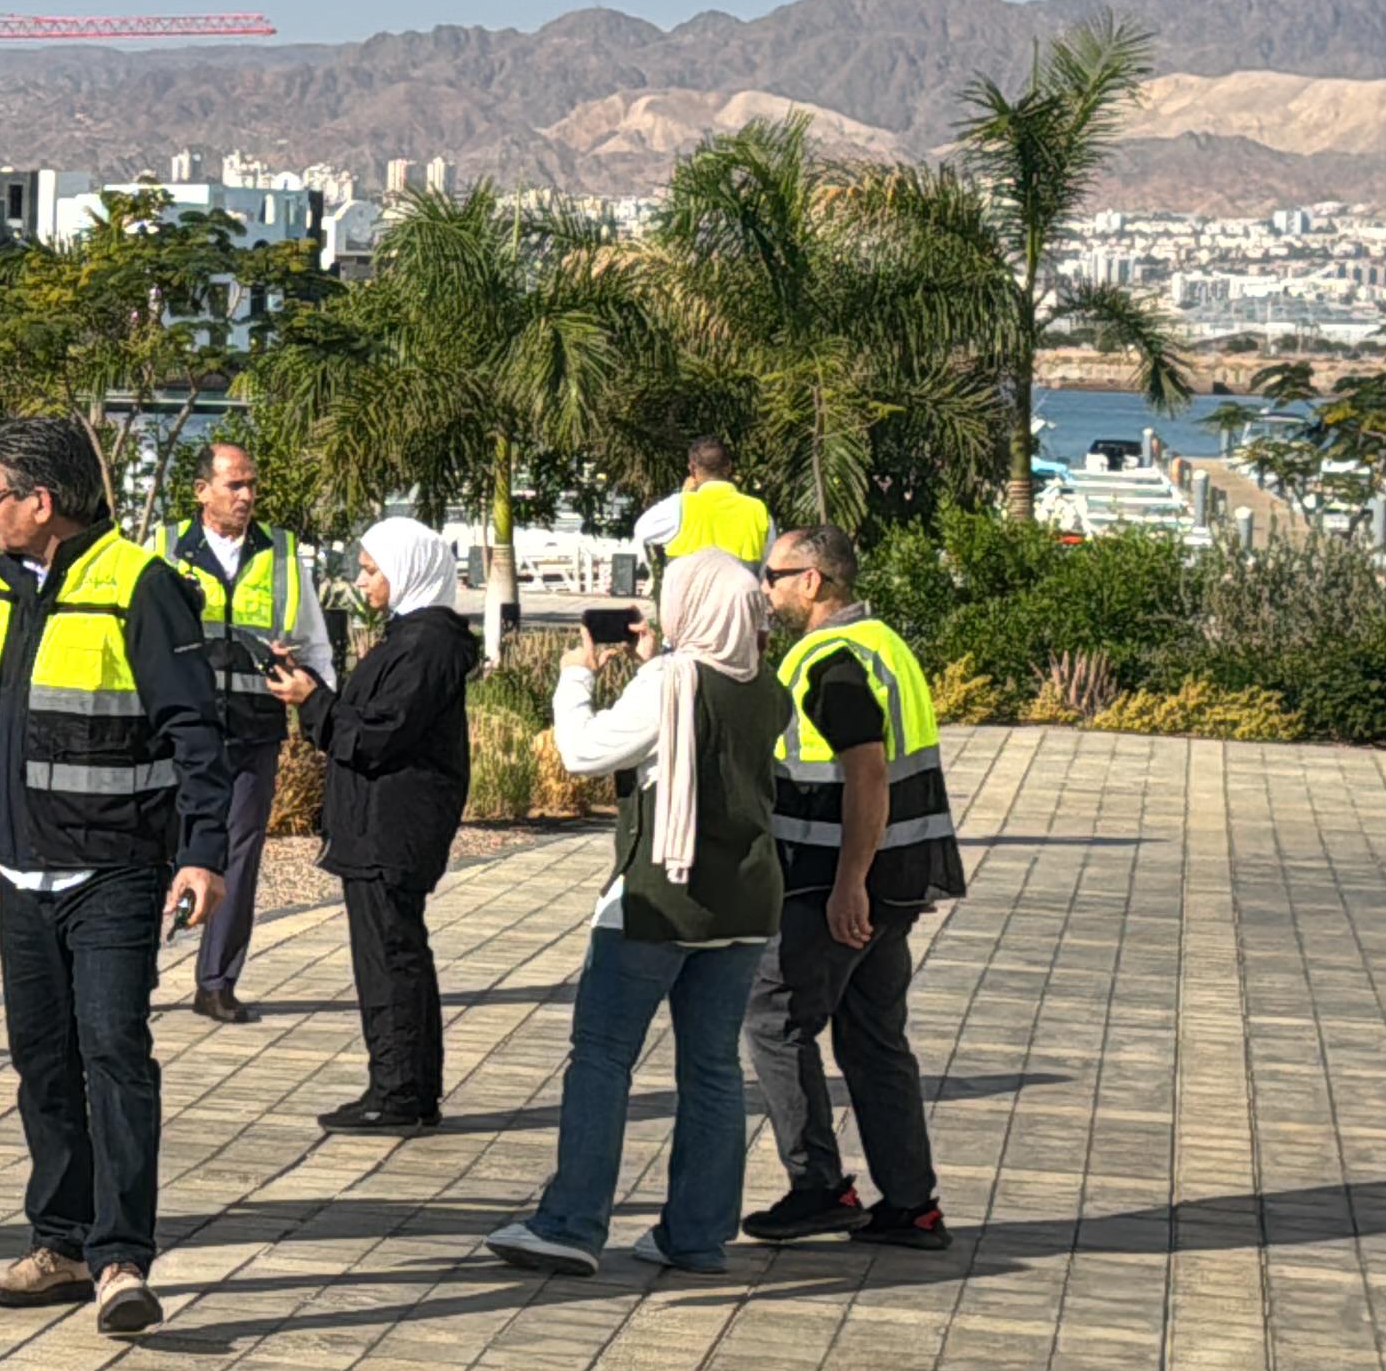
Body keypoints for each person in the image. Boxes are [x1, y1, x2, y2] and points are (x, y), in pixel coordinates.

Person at [0, 418, 232, 1339]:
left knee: (114, 1055)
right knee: (42, 1063)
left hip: (116, 873)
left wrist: (204, 852)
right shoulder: (0, 589)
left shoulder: (140, 586)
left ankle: (121, 1259)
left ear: (41, 502)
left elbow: (196, 734)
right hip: (21, 872)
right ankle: (61, 1246)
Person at [485, 547, 790, 1279]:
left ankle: (571, 1223)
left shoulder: (669, 682)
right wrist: (661, 660)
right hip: (745, 900)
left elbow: (584, 753)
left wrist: (576, 677)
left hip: (660, 896)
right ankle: (696, 1234)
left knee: (602, 1057)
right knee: (712, 1067)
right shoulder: (766, 687)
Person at [743, 522, 970, 1251]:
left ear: (811, 581)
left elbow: (866, 773)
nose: (765, 588)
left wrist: (849, 885)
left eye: (773, 575)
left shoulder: (831, 660)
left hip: (832, 882)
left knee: (774, 1020)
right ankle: (910, 1204)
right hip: (898, 874)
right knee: (873, 1039)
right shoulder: (884, 643)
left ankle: (818, 1186)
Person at [263, 517, 471, 1134]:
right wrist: (312, 692)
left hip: (393, 826)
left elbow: (379, 735)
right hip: (380, 823)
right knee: (392, 953)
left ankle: (400, 1091)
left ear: (407, 571)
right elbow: (367, 719)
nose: (363, 582)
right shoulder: (410, 637)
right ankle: (404, 1086)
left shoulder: (426, 644)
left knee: (390, 958)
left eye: (372, 570)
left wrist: (313, 702)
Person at [153, 441, 333, 1023]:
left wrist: (322, 713)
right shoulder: (162, 548)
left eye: (251, 484)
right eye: (235, 485)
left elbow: (314, 643)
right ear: (201, 491)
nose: (247, 495)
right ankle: (135, 975)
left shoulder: (282, 554)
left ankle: (216, 983)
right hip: (181, 728)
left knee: (239, 855)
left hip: (254, 729)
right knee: (160, 845)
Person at [634, 437, 771, 573]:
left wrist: (685, 494)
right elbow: (770, 560)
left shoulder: (678, 506)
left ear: (692, 469)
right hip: (741, 586)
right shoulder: (758, 510)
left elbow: (641, 531)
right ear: (729, 467)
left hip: (688, 586)